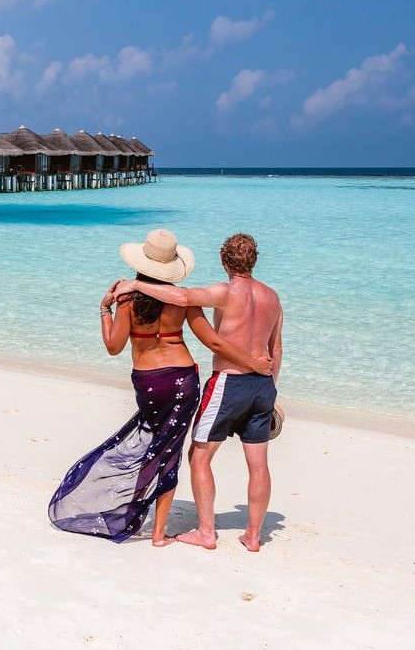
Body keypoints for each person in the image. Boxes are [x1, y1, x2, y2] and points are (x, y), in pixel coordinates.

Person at [48, 230, 272, 545]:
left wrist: (105, 310)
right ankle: (158, 533)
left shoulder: (126, 299)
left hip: (149, 382)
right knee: (171, 451)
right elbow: (211, 340)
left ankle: (137, 516)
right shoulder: (183, 301)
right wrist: (255, 366)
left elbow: (114, 347)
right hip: (183, 380)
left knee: (154, 445)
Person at [116, 233, 283, 552]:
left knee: (200, 455)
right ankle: (252, 536)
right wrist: (272, 390)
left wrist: (136, 285)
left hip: (228, 384)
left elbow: (182, 298)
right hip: (263, 386)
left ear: (224, 261)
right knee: (258, 463)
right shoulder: (273, 298)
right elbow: (276, 348)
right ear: (255, 259)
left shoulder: (224, 292)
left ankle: (207, 532)